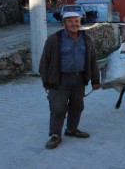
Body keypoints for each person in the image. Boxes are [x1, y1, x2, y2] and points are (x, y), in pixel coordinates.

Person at [39, 12, 101, 149]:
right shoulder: (55, 39)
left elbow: (92, 61)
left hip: (79, 79)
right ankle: (55, 135)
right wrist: (46, 81)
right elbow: (44, 61)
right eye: (70, 21)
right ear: (64, 23)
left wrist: (95, 80)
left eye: (77, 21)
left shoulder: (87, 38)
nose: (74, 24)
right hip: (60, 80)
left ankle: (71, 130)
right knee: (58, 108)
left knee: (78, 106)